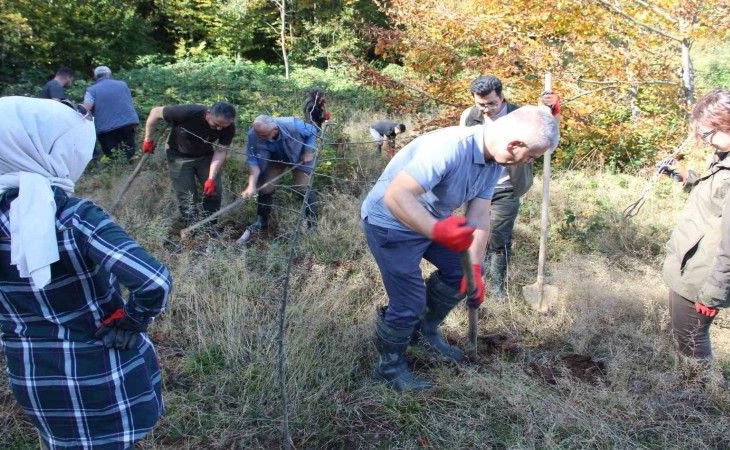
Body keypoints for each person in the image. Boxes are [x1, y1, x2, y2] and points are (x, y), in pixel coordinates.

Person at [0, 96, 172, 449]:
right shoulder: (74, 217)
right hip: (99, 374)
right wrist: (131, 320)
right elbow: (153, 281)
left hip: (34, 378)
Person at [361, 106, 559, 391]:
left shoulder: (494, 161)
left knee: (460, 274)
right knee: (409, 301)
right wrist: (437, 230)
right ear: (514, 145)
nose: (528, 162)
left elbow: (479, 216)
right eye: (531, 157)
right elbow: (397, 195)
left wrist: (475, 268)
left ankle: (423, 333)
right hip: (391, 223)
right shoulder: (450, 147)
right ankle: (389, 368)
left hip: (432, 220)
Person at [661, 89, 730, 361]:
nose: (705, 141)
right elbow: (717, 199)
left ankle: (696, 396)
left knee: (692, 340)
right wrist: (686, 176)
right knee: (682, 333)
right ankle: (687, 386)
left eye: (707, 134)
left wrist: (714, 294)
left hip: (705, 274)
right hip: (691, 263)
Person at [459, 75, 561, 300]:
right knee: (476, 235)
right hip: (476, 186)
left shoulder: (521, 116)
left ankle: (498, 288)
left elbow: (549, 137)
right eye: (481, 104)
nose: (486, 109)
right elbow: (464, 148)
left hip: (506, 187)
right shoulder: (469, 116)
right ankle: (475, 283)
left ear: (502, 96)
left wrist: (554, 111)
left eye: (492, 103)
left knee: (499, 236)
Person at [142, 102, 236, 230]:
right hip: (178, 155)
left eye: (223, 127)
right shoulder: (187, 112)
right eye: (216, 125)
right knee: (187, 195)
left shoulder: (228, 127)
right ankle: (193, 228)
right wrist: (148, 139)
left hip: (204, 155)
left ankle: (210, 226)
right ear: (208, 114)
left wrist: (211, 178)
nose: (219, 129)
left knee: (214, 191)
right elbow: (155, 112)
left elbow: (220, 152)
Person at [238, 115, 319, 242]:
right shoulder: (253, 135)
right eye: (258, 134)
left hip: (299, 157)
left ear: (275, 129)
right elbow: (253, 161)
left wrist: (308, 151)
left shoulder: (293, 125)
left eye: (264, 135)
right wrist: (251, 185)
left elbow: (313, 131)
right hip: (274, 160)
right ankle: (261, 221)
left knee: (303, 188)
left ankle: (312, 225)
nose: (260, 137)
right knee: (265, 188)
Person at [83, 66, 140, 162]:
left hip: (106, 128)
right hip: (127, 123)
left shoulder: (91, 90)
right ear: (109, 74)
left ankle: (115, 174)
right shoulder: (123, 85)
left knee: (112, 157)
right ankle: (130, 171)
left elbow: (86, 109)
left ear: (95, 77)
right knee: (129, 153)